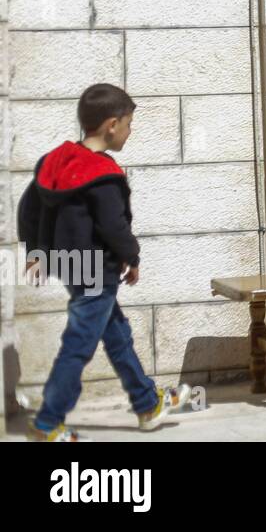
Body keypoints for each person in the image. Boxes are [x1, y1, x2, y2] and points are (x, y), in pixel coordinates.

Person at [18, 83, 192, 441]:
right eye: (129, 124)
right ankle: (48, 423)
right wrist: (132, 257)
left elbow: (29, 209)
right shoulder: (103, 175)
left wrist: (36, 251)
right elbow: (114, 226)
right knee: (78, 345)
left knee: (117, 336)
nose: (129, 131)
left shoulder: (54, 161)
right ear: (112, 125)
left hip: (69, 265)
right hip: (97, 270)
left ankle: (147, 403)